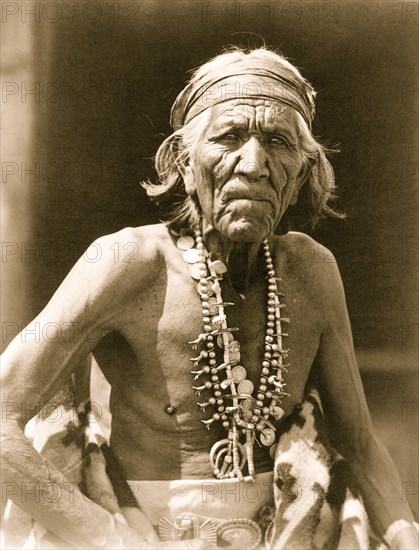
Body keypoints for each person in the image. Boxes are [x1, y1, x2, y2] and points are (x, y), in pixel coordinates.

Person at [1, 47, 418, 550]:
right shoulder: (125, 261)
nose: (255, 164)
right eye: (229, 137)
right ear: (183, 159)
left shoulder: (311, 270)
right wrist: (109, 539)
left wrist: (405, 536)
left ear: (305, 170)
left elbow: (360, 446)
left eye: (278, 143)